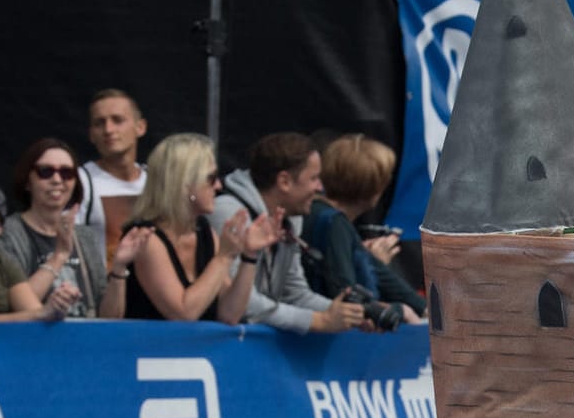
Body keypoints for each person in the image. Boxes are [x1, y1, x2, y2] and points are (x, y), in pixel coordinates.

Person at [215, 133, 365, 334]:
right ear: (284, 181)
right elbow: (242, 304)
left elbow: (294, 293)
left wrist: (350, 314)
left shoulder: (292, 217)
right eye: (313, 178)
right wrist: (318, 321)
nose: (320, 188)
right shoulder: (231, 214)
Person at [123, 133, 274, 323]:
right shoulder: (146, 238)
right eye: (211, 178)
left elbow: (230, 314)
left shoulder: (204, 232)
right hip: (150, 349)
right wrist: (224, 257)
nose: (218, 186)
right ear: (185, 184)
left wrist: (249, 256)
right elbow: (183, 313)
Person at [0, 137, 133, 319]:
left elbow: (109, 317)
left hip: (82, 341)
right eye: (45, 172)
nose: (57, 180)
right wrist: (59, 256)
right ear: (27, 181)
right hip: (31, 342)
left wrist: (118, 268)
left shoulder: (85, 236)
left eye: (67, 173)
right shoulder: (8, 233)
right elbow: (14, 307)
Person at [302, 134, 426, 323]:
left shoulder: (327, 217)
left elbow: (379, 272)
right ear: (375, 190)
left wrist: (423, 307)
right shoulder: (333, 223)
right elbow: (346, 294)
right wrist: (400, 311)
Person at [0, 178, 83, 326]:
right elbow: (36, 315)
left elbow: (33, 311)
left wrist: (56, 305)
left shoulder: (1, 262)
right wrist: (40, 314)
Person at [79, 89, 151, 250]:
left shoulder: (156, 181)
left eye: (118, 120)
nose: (108, 130)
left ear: (140, 127)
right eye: (99, 123)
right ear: (91, 134)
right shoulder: (80, 182)